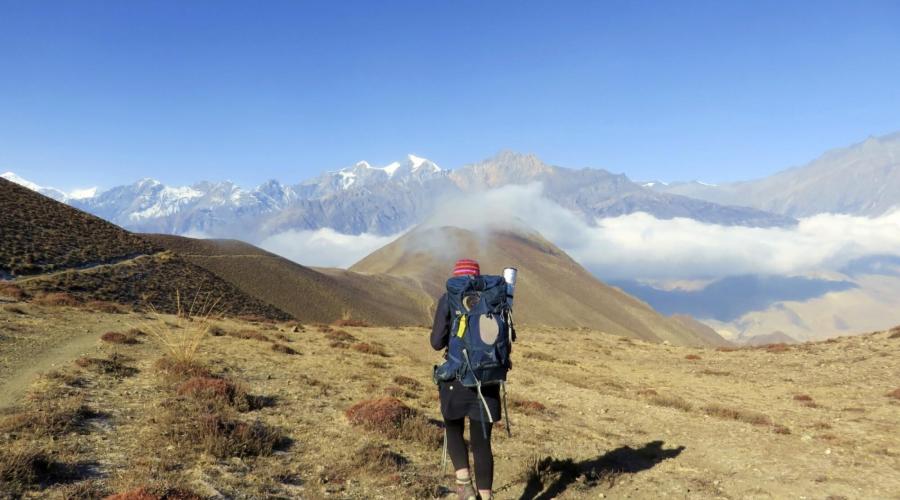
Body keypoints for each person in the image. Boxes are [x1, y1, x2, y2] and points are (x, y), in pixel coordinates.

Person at [430, 258, 500, 500]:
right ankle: (486, 496)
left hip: (457, 379)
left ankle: (464, 486)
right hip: (488, 381)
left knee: (453, 427)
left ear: (456, 278)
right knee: (482, 443)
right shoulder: (494, 300)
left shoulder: (449, 299)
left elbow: (436, 342)